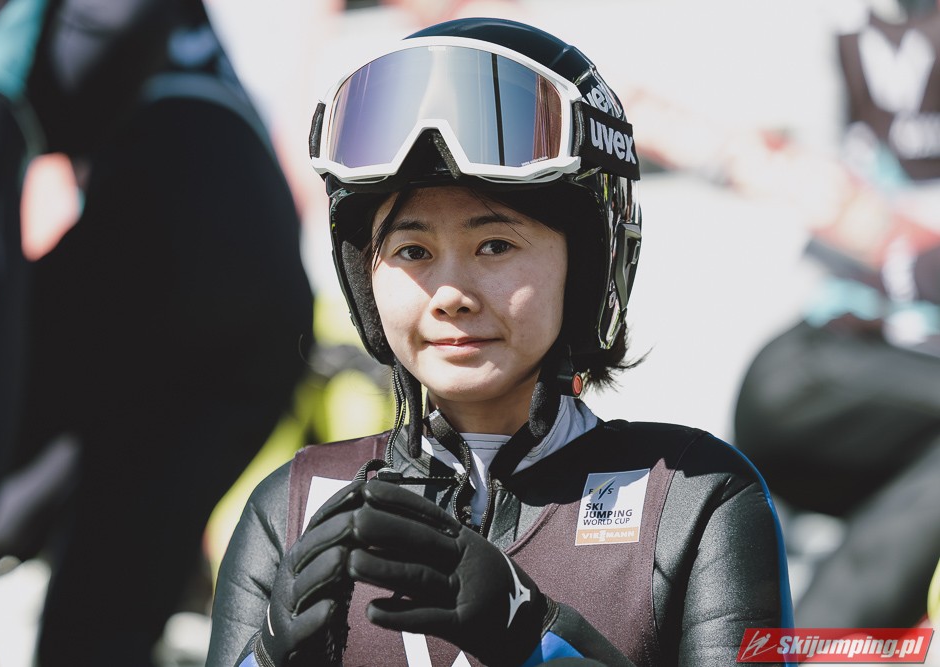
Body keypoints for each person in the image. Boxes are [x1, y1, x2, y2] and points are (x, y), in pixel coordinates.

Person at [206, 17, 793, 667]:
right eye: (412, 250)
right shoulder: (290, 509)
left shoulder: (694, 497)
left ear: (587, 265)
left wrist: (532, 637)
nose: (450, 293)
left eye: (494, 245)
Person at [0, 1, 313, 665]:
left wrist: (29, 115)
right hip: (261, 272)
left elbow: (113, 26)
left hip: (157, 227)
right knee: (105, 617)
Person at [733, 0, 940, 630]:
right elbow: (748, 141)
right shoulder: (836, 23)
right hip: (825, 363)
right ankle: (817, 646)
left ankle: (825, 637)